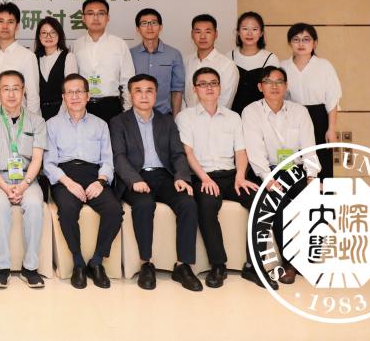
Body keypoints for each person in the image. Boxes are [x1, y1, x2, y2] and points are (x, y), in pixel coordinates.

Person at [176, 66, 267, 289]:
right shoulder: (185, 117)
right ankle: (218, 265)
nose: (209, 88)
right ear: (195, 89)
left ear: (220, 87)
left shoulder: (233, 117)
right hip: (203, 176)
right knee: (206, 206)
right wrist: (205, 179)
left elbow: (241, 151)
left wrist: (241, 176)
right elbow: (188, 153)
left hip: (231, 175)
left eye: (213, 83)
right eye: (203, 84)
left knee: (261, 201)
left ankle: (253, 265)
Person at [110, 74, 201, 291]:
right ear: (130, 95)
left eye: (149, 91)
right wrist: (134, 180)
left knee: (188, 203)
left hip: (164, 176)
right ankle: (146, 264)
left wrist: (181, 177)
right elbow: (119, 157)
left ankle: (183, 265)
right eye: (138, 91)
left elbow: (178, 154)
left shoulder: (167, 121)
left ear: (156, 94)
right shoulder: (118, 122)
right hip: (136, 176)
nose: (144, 96)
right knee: (144, 204)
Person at [242, 65, 320, 285]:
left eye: (279, 82)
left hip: (293, 169)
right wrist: (269, 181)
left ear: (286, 86)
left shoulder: (299, 111)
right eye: (268, 82)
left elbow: (309, 148)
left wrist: (312, 178)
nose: (274, 86)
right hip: (266, 170)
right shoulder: (251, 112)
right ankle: (289, 263)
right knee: (280, 203)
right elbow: (255, 153)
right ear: (260, 87)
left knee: (317, 197)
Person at [44, 74, 123, 289]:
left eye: (79, 92)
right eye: (70, 92)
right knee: (68, 211)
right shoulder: (51, 125)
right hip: (65, 175)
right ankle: (78, 262)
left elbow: (107, 160)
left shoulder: (100, 125)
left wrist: (100, 181)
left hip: (94, 175)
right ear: (63, 97)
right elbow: (48, 163)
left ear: (88, 96)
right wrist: (68, 182)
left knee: (114, 210)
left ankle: (96, 261)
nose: (75, 96)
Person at [0, 70, 47, 289]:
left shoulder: (37, 121)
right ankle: (2, 268)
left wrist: (24, 185)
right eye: (6, 89)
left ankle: (30, 268)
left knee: (35, 204)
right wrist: (6, 187)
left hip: (28, 178)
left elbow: (37, 159)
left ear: (23, 91)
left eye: (16, 88)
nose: (11, 94)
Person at [282, 23, 342, 180]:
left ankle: (322, 196)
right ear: (290, 43)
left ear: (315, 42)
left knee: (321, 163)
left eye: (306, 39)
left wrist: (331, 129)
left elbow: (332, 99)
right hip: (291, 119)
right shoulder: (283, 67)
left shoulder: (324, 66)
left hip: (319, 118)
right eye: (296, 39)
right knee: (291, 165)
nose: (301, 43)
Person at [72, 0, 135, 123]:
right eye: (90, 13)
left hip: (111, 106)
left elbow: (128, 81)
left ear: (108, 17)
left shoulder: (119, 44)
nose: (95, 18)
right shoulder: (75, 45)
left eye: (101, 13)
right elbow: (71, 80)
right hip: (83, 106)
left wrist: (127, 111)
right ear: (83, 18)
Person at [0, 2, 40, 115]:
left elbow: (33, 96)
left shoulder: (27, 56)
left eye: (10, 22)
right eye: (1, 21)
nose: (5, 26)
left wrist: (32, 122)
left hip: (16, 117)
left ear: (17, 26)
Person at [129, 8, 185, 115]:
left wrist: (175, 119)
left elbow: (177, 90)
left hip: (164, 115)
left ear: (161, 27)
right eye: (144, 23)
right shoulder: (130, 54)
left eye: (154, 23)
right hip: (136, 115)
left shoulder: (174, 54)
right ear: (138, 29)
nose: (149, 27)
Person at [183, 14, 238, 111]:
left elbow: (225, 101)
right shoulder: (186, 62)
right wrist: (187, 116)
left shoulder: (227, 65)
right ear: (192, 34)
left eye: (208, 32)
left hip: (216, 119)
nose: (202, 36)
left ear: (216, 34)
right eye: (198, 32)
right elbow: (182, 96)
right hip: (188, 118)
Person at [229, 11, 278, 114]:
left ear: (261, 33)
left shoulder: (270, 58)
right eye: (245, 29)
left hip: (262, 114)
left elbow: (275, 91)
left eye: (254, 29)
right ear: (238, 32)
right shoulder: (229, 56)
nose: (249, 33)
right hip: (233, 113)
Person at [33, 16, 77, 119]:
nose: (48, 36)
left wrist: (60, 117)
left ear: (59, 35)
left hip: (62, 114)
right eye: (44, 33)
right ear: (39, 36)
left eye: (53, 32)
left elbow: (70, 90)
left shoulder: (68, 57)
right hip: (39, 114)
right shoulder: (34, 58)